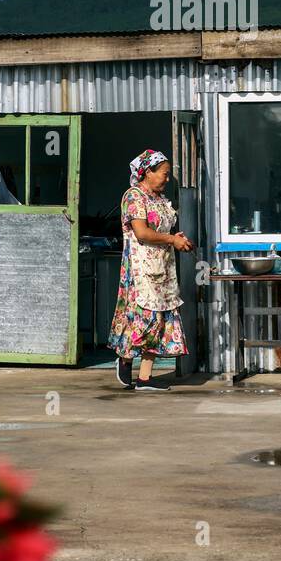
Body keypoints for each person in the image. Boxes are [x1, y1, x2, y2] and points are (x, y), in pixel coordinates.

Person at [108, 148, 194, 391]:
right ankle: (125, 358)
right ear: (147, 172)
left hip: (163, 269)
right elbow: (142, 233)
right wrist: (170, 240)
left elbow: (162, 230)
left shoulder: (158, 199)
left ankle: (144, 378)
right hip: (140, 270)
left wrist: (177, 238)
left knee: (160, 320)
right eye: (164, 174)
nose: (167, 179)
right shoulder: (134, 197)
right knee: (142, 318)